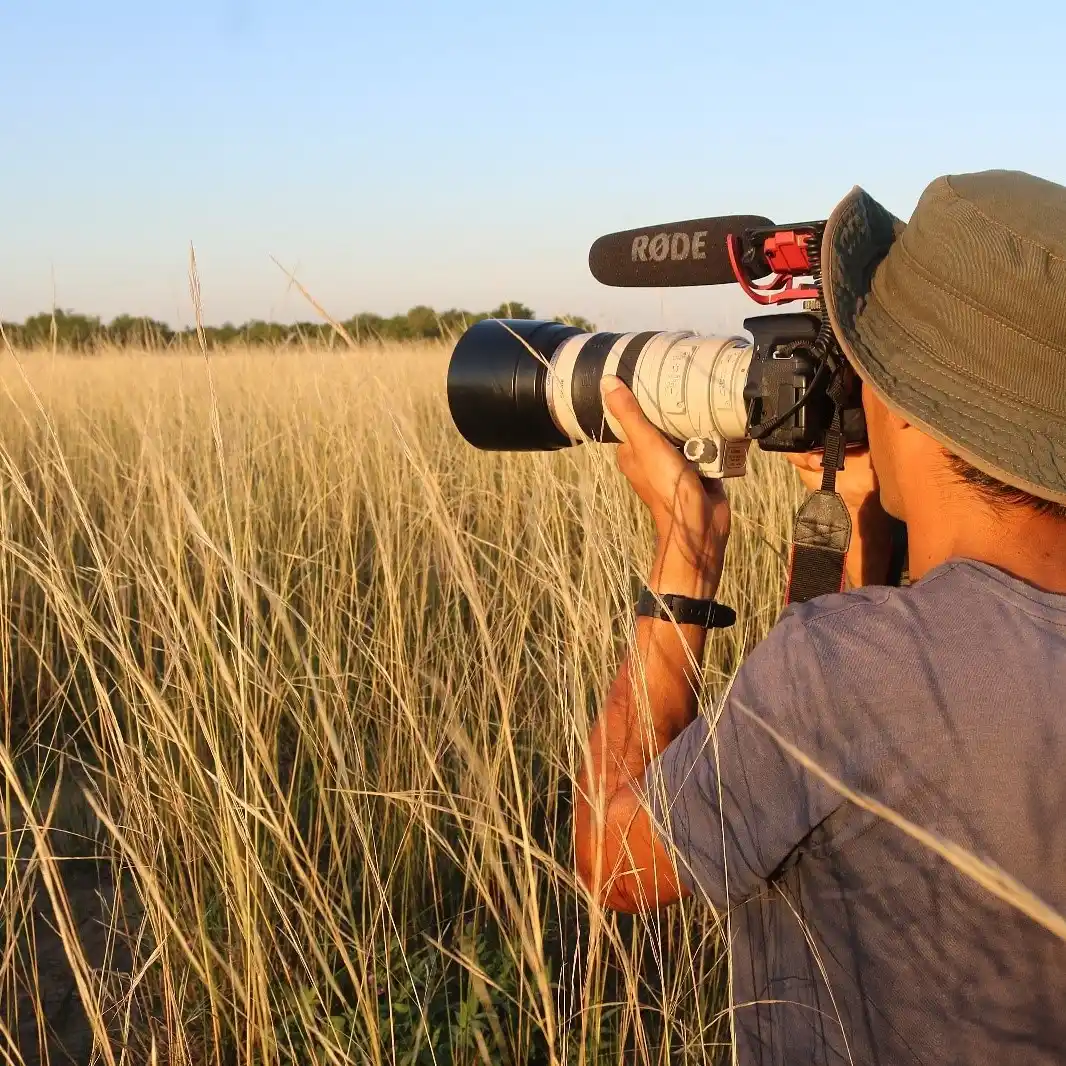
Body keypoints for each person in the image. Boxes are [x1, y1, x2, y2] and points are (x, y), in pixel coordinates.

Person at [572, 169, 1066, 1066]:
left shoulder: (852, 671)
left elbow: (615, 861)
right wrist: (861, 533)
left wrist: (685, 551)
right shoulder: (875, 661)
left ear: (915, 412)